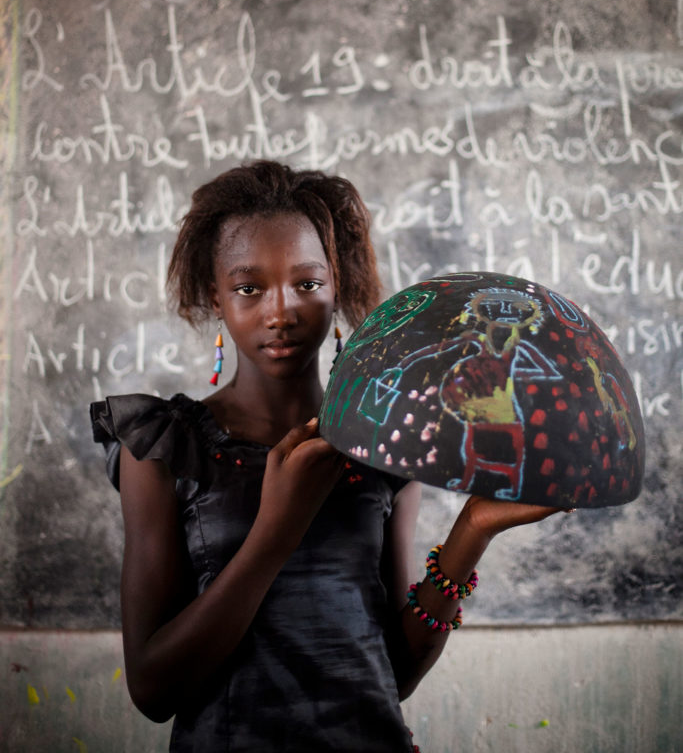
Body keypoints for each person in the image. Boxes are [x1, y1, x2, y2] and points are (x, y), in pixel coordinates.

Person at [91, 160, 567, 752]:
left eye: (308, 284)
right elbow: (153, 691)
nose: (281, 310)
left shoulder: (382, 445)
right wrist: (277, 529)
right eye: (249, 287)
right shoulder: (164, 447)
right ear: (215, 295)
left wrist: (472, 531)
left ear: (336, 287)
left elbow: (395, 674)